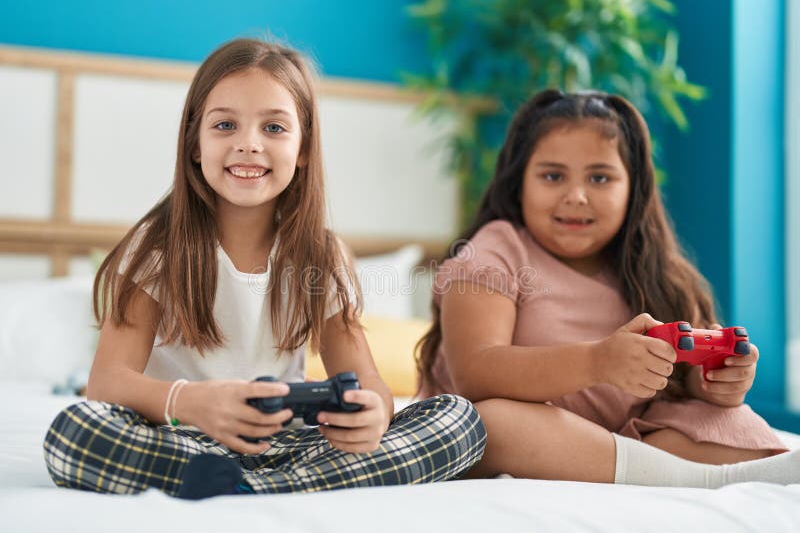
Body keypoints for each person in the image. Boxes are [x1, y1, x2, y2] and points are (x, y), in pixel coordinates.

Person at [43, 38, 485, 499]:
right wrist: (193, 403)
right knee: (74, 432)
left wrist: (373, 411)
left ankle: (249, 486)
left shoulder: (323, 257)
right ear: (195, 143)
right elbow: (106, 383)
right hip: (178, 438)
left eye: (274, 128)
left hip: (286, 444)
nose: (248, 145)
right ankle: (277, 486)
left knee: (459, 418)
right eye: (226, 125)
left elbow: (365, 378)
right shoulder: (155, 248)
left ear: (304, 149)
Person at [416, 89, 798, 488]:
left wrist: (715, 386)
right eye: (552, 176)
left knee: (730, 422)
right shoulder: (497, 249)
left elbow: (679, 393)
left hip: (614, 440)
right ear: (519, 183)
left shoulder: (655, 272)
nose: (576, 196)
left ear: (633, 188)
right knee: (493, 422)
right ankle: (693, 477)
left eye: (599, 178)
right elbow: (473, 374)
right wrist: (598, 362)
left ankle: (641, 469)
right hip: (508, 435)